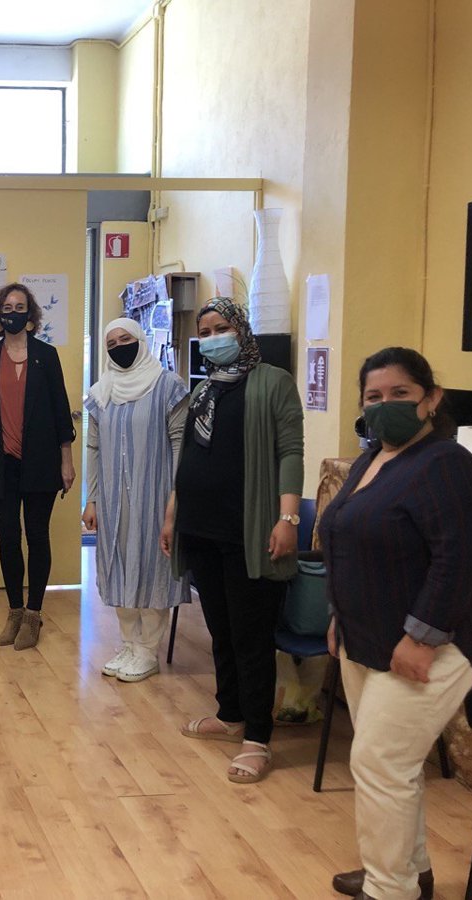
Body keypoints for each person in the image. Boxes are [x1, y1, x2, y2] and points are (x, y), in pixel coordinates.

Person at [321, 347, 472, 900]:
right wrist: (338, 615)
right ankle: (410, 872)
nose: (385, 405)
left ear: (431, 398)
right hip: (365, 637)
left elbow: (457, 560)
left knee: (380, 763)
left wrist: (421, 637)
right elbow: (349, 542)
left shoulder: (448, 465)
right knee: (395, 766)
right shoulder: (372, 459)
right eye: (373, 397)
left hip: (430, 645)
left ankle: (389, 889)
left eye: (400, 394)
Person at [160, 298, 303, 784]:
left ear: (242, 330)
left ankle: (257, 738)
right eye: (205, 331)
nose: (213, 337)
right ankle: (231, 715)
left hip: (249, 530)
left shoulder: (273, 382)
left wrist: (287, 517)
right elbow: (188, 457)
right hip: (201, 527)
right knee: (221, 630)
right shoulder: (205, 389)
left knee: (251, 636)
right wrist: (172, 514)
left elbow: (290, 452)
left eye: (222, 327)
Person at [0, 282, 76, 650]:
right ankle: (14, 611)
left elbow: (61, 412)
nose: (13, 312)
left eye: (20, 307)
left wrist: (67, 461)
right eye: (7, 307)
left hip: (42, 462)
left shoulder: (47, 356)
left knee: (38, 535)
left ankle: (33, 614)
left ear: (30, 314)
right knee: (7, 538)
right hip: (1, 463)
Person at [82, 318, 189, 683]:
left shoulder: (167, 386)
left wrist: (175, 499)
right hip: (113, 498)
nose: (119, 347)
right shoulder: (102, 392)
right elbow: (93, 447)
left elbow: (180, 443)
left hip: (156, 497)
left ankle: (148, 650)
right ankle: (129, 644)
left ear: (141, 341)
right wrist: (92, 499)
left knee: (150, 567)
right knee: (118, 565)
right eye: (111, 344)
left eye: (125, 339)